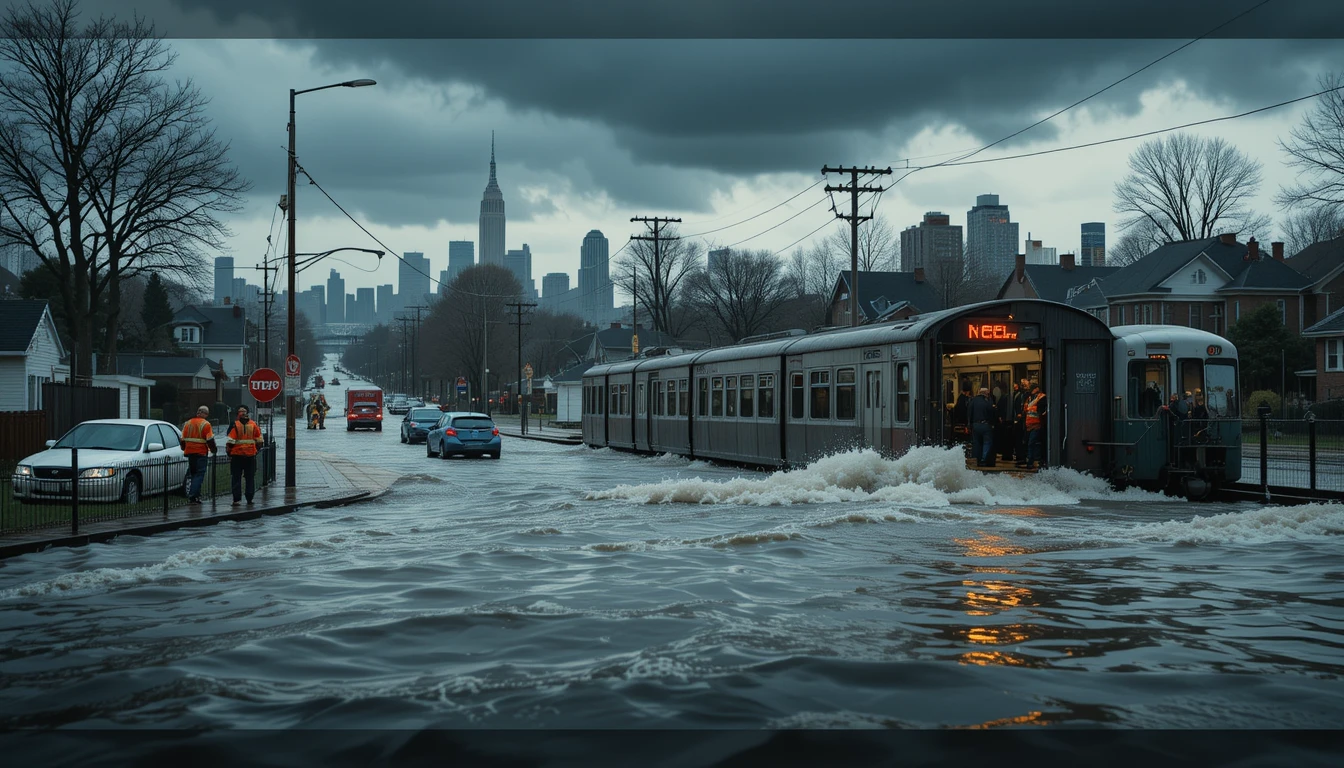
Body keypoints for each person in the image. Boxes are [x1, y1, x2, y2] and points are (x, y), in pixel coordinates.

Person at [226, 405, 262, 506]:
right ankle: (249, 498)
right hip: (250, 455)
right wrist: (255, 450)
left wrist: (229, 452)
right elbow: (260, 440)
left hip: (237, 455)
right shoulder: (254, 425)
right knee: (250, 477)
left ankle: (236, 499)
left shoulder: (235, 425)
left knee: (236, 477)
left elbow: (230, 441)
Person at [181, 405, 217, 504]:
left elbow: (182, 439)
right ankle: (193, 496)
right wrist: (213, 449)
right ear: (205, 414)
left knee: (193, 474)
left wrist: (184, 448)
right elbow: (210, 439)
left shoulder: (187, 423)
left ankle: (196, 497)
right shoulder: (206, 424)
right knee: (199, 475)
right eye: (207, 414)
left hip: (190, 452)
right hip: (201, 452)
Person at [1019, 384, 1047, 470]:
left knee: (1031, 443)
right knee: (1031, 443)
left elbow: (1030, 409)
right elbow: (1026, 409)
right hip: (1030, 425)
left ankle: (1031, 461)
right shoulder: (1030, 398)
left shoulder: (1041, 397)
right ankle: (1033, 460)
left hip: (1036, 424)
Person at [968, 387, 998, 467]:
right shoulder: (988, 401)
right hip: (986, 425)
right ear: (985, 393)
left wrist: (969, 424)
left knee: (976, 442)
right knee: (987, 442)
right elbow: (992, 412)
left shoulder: (973, 401)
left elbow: (969, 412)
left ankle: (976, 459)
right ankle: (983, 459)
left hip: (975, 425)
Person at [1013, 378, 1031, 463]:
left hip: (1025, 419)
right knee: (1021, 439)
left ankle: (1022, 456)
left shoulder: (1024, 395)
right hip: (1022, 419)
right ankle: (1021, 456)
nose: (1024, 386)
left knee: (1023, 439)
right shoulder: (1021, 395)